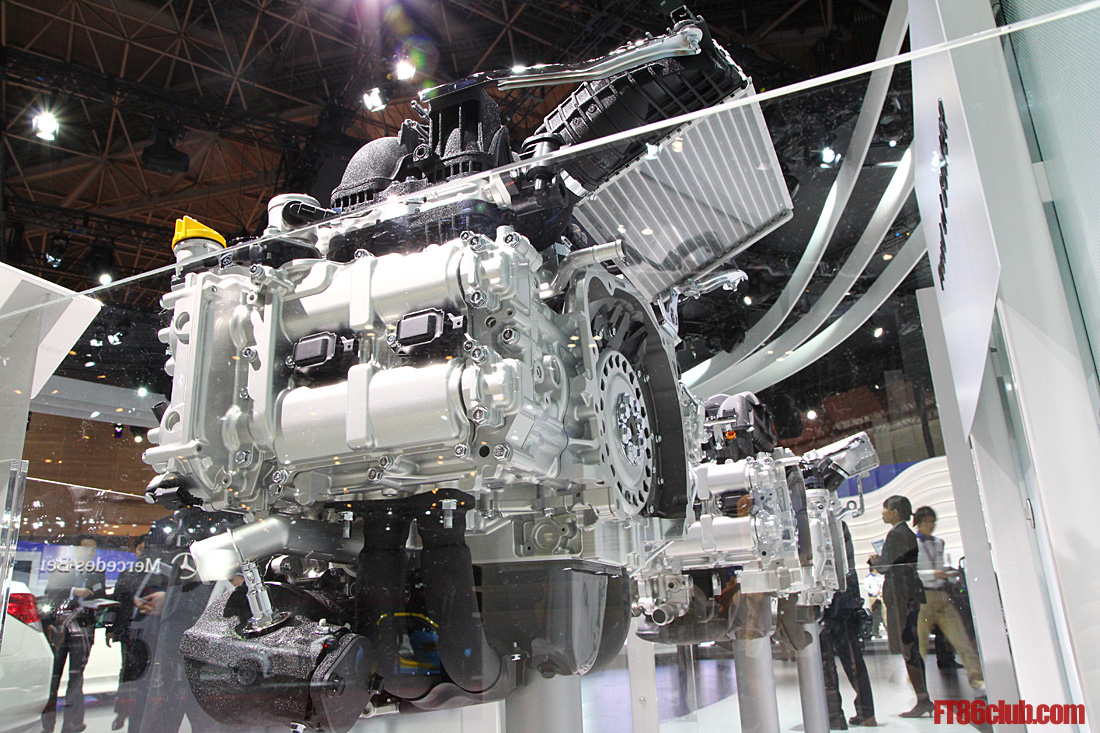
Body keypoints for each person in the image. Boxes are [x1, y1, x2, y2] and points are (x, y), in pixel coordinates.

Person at [867, 495, 930, 718]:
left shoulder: (896, 534)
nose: (882, 513)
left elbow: (886, 567)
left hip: (902, 598)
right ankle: (923, 698)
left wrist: (876, 561)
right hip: (907, 596)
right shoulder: (906, 533)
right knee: (910, 647)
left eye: (885, 509)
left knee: (908, 647)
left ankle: (923, 699)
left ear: (894, 511)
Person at [911, 506, 985, 694]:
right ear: (919, 522)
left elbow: (938, 566)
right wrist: (932, 574)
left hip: (941, 596)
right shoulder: (913, 544)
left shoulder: (938, 543)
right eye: (927, 521)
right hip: (924, 598)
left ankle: (977, 679)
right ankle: (915, 684)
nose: (931, 525)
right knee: (920, 644)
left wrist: (946, 573)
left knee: (962, 640)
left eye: (933, 521)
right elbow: (912, 572)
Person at [40, 535, 107, 733]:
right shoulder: (63, 569)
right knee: (54, 677)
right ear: (77, 549)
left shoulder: (97, 571)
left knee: (77, 677)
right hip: (60, 629)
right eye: (86, 548)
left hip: (84, 628)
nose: (90, 552)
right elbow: (50, 593)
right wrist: (73, 591)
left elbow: (101, 595)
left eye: (93, 549)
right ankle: (47, 724)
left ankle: (73, 723)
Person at [820, 521, 876, 729]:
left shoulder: (822, 524)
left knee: (827, 661)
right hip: (845, 601)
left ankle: (835, 716)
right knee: (853, 660)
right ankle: (865, 712)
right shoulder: (838, 524)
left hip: (830, 602)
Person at [864, 565, 885, 638]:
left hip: (880, 596)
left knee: (884, 614)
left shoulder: (878, 577)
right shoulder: (868, 578)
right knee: (876, 615)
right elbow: (866, 588)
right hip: (874, 597)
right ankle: (875, 631)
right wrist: (874, 592)